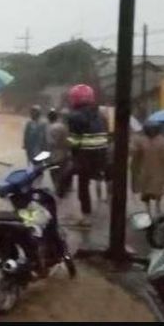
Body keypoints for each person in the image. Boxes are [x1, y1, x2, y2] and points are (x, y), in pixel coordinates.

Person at [64, 84, 109, 227]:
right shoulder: (101, 115)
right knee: (102, 180)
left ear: (74, 99)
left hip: (85, 157)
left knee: (75, 182)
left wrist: (72, 156)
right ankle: (104, 203)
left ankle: (85, 215)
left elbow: (74, 142)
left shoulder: (74, 117)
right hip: (102, 156)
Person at [131, 120, 164, 217]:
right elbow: (135, 155)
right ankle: (149, 211)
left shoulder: (163, 142)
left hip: (158, 173)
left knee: (157, 193)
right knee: (146, 194)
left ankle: (157, 209)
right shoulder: (142, 140)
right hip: (146, 172)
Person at [46, 108, 70, 198]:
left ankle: (58, 190)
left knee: (54, 173)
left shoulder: (51, 128)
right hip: (64, 153)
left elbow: (51, 143)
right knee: (62, 173)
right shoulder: (63, 126)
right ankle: (61, 190)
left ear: (49, 118)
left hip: (54, 155)